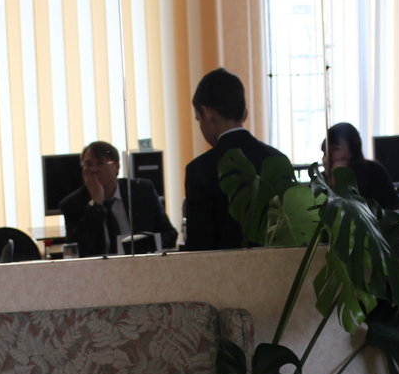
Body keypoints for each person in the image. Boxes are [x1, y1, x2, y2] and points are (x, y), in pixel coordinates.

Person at [183, 68, 287, 251]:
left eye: (198, 119)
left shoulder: (199, 170)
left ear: (207, 114)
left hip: (222, 268)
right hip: (276, 267)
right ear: (245, 112)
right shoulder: (277, 159)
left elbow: (199, 248)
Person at [58, 140, 178, 257]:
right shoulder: (72, 204)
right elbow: (75, 251)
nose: (94, 170)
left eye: (100, 163)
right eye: (88, 164)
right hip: (99, 268)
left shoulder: (142, 191)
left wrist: (146, 248)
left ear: (117, 167)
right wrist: (96, 205)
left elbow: (170, 234)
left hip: (141, 263)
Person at [321, 122, 399, 210]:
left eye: (335, 149)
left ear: (353, 150)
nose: (327, 158)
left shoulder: (374, 172)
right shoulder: (320, 180)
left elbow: (393, 208)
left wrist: (341, 181)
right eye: (325, 152)